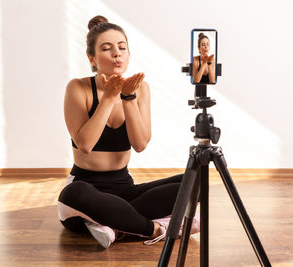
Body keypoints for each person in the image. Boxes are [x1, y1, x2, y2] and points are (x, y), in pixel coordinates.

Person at [57, 15, 199, 248]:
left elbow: (140, 144)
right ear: (92, 58)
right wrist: (110, 97)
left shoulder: (140, 88)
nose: (117, 53)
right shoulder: (78, 87)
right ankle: (156, 228)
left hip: (125, 190)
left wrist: (128, 97)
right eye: (107, 48)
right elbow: (85, 144)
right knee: (75, 193)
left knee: (194, 181)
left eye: (122, 48)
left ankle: (113, 225)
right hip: (86, 191)